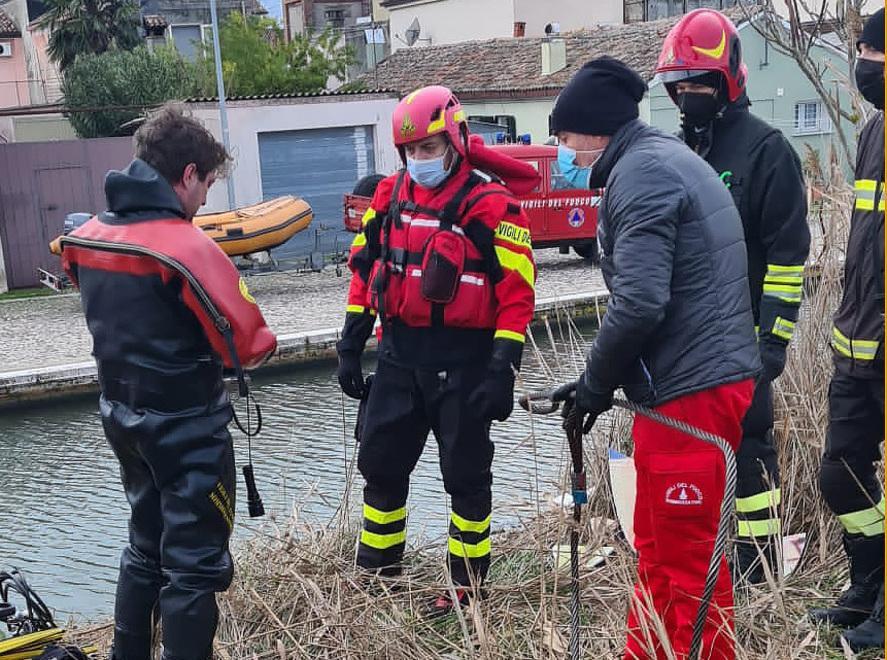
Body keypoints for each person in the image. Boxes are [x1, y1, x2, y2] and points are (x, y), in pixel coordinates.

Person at [549, 57, 760, 659]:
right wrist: (593, 379)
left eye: (564, 138)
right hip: (689, 382)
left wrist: (595, 384)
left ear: (594, 131)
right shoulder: (660, 161)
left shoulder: (641, 176)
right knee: (660, 547)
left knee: (686, 563)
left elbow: (640, 303)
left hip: (691, 390)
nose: (560, 151)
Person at [57, 105, 277, 660]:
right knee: (194, 570)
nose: (205, 200)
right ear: (186, 175)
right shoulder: (187, 248)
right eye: (205, 184)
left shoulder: (88, 237)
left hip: (123, 419)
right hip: (188, 433)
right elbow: (254, 345)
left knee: (143, 547)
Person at [336, 85, 538, 614]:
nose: (420, 160)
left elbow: (517, 295)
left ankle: (466, 590)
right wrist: (351, 341)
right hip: (399, 357)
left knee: (466, 481)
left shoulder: (491, 203)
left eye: (429, 147)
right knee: (381, 468)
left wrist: (503, 368)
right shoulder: (388, 196)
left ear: (454, 140)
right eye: (411, 151)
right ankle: (379, 575)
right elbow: (365, 269)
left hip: (465, 362)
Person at [654, 8, 811, 584]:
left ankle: (760, 565)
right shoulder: (677, 151)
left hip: (742, 338)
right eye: (681, 86)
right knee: (685, 450)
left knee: (749, 451)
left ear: (727, 80)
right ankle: (700, 556)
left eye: (700, 83)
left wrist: (774, 341)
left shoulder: (766, 152)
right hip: (682, 341)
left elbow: (788, 257)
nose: (688, 94)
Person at [808, 8, 885, 652]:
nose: (864, 63)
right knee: (840, 474)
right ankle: (868, 584)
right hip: (854, 345)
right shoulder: (873, 134)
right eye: (861, 49)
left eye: (873, 52)